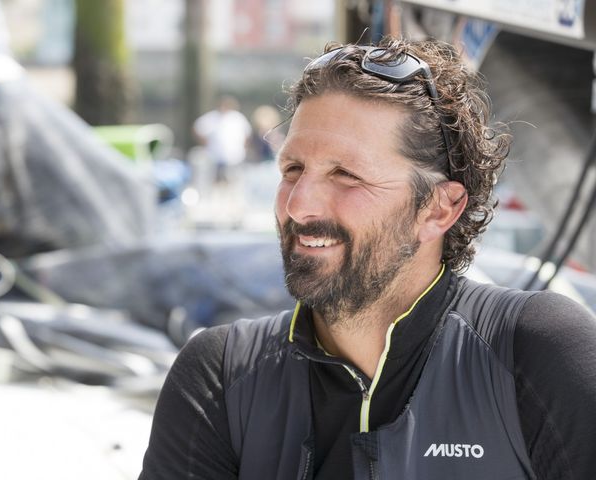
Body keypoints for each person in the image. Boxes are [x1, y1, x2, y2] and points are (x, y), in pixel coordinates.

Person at [140, 37, 596, 479]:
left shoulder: (536, 352)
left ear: (438, 208)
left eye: (346, 175)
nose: (298, 206)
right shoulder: (221, 376)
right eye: (292, 169)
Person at [193, 96, 253, 185]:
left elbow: (247, 134)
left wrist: (244, 148)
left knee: (234, 182)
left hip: (235, 157)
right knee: (215, 182)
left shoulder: (238, 118)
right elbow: (197, 128)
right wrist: (205, 143)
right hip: (215, 156)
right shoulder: (211, 117)